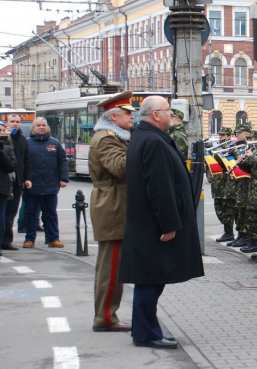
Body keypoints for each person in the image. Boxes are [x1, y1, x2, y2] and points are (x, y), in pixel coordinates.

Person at [119, 96, 204, 349]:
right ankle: (146, 334)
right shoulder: (153, 141)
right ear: (156, 115)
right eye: (168, 111)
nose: (171, 115)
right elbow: (159, 187)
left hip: (147, 223)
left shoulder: (145, 136)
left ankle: (144, 329)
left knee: (149, 280)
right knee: (150, 280)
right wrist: (169, 223)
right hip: (154, 225)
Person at [89, 91, 135, 332]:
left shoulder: (115, 136)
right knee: (111, 267)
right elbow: (119, 167)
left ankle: (107, 315)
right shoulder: (107, 139)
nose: (132, 117)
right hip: (113, 204)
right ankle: (105, 318)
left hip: (115, 202)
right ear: (114, 116)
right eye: (128, 113)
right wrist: (138, 149)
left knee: (112, 265)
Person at [22, 118, 68, 249]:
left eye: (43, 125)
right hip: (32, 185)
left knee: (51, 213)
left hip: (50, 185)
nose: (41, 127)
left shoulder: (55, 143)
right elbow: (23, 164)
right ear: (33, 128)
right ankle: (29, 239)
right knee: (30, 213)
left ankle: (53, 239)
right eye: (38, 125)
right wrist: (24, 179)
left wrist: (64, 178)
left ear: (47, 127)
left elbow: (62, 162)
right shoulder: (27, 143)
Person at [1, 113, 30, 251]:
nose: (15, 124)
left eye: (17, 122)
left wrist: (26, 178)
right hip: (4, 181)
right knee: (2, 212)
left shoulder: (23, 140)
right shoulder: (4, 138)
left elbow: (26, 160)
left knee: (11, 212)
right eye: (12, 121)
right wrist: (5, 138)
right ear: (5, 123)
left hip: (17, 181)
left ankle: (7, 240)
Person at [212, 128, 236, 243]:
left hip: (226, 183)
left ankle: (229, 233)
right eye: (220, 135)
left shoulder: (231, 147)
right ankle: (227, 231)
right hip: (218, 183)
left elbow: (226, 161)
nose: (220, 137)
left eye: (223, 135)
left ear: (229, 136)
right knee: (219, 207)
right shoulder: (218, 146)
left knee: (227, 209)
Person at [0, 121, 17, 258]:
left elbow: (11, 167)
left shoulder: (7, 148)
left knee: (1, 219)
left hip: (2, 188)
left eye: (1, 130)